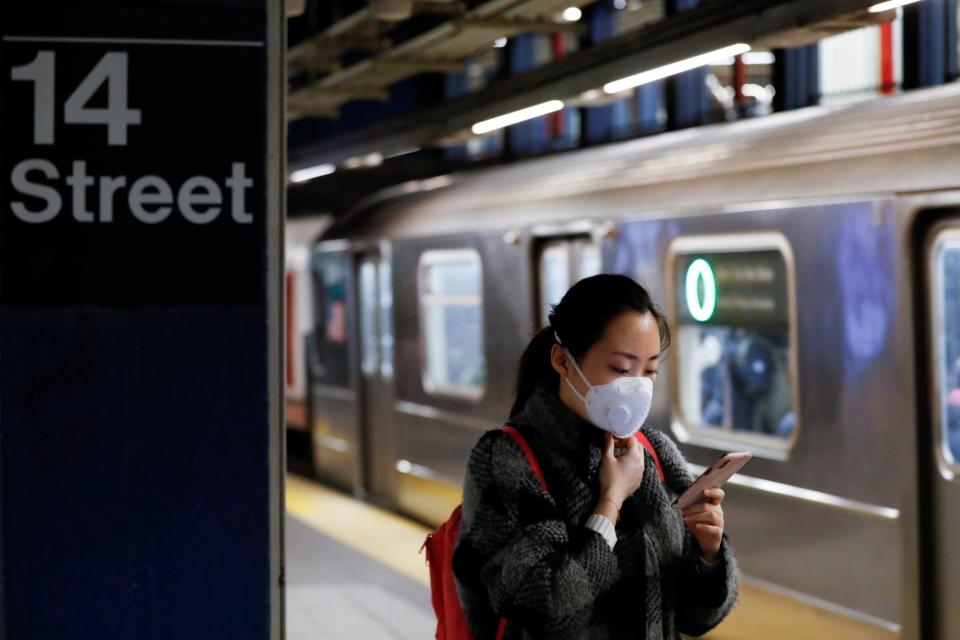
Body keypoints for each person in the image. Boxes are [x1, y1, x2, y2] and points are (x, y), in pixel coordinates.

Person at [453, 274, 740, 639]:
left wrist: (709, 552)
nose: (636, 386)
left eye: (649, 370)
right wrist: (610, 502)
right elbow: (540, 607)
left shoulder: (654, 451)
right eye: (620, 369)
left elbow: (697, 618)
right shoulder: (506, 459)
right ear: (563, 360)